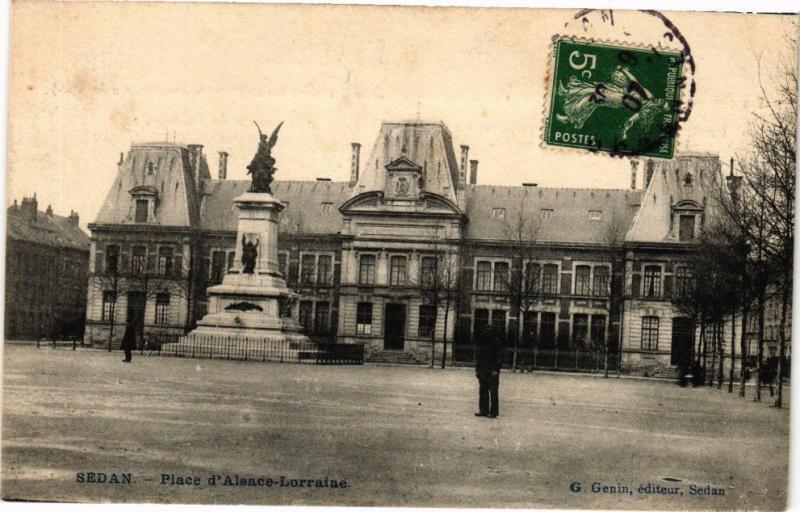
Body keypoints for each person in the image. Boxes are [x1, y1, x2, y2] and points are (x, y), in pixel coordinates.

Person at [475, 331, 502, 418]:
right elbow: (479, 357)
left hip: (492, 372)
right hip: (483, 371)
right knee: (483, 391)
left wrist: (496, 370)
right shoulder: (483, 343)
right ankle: (483, 410)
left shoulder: (496, 342)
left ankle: (493, 412)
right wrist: (477, 370)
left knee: (493, 392)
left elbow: (499, 357)